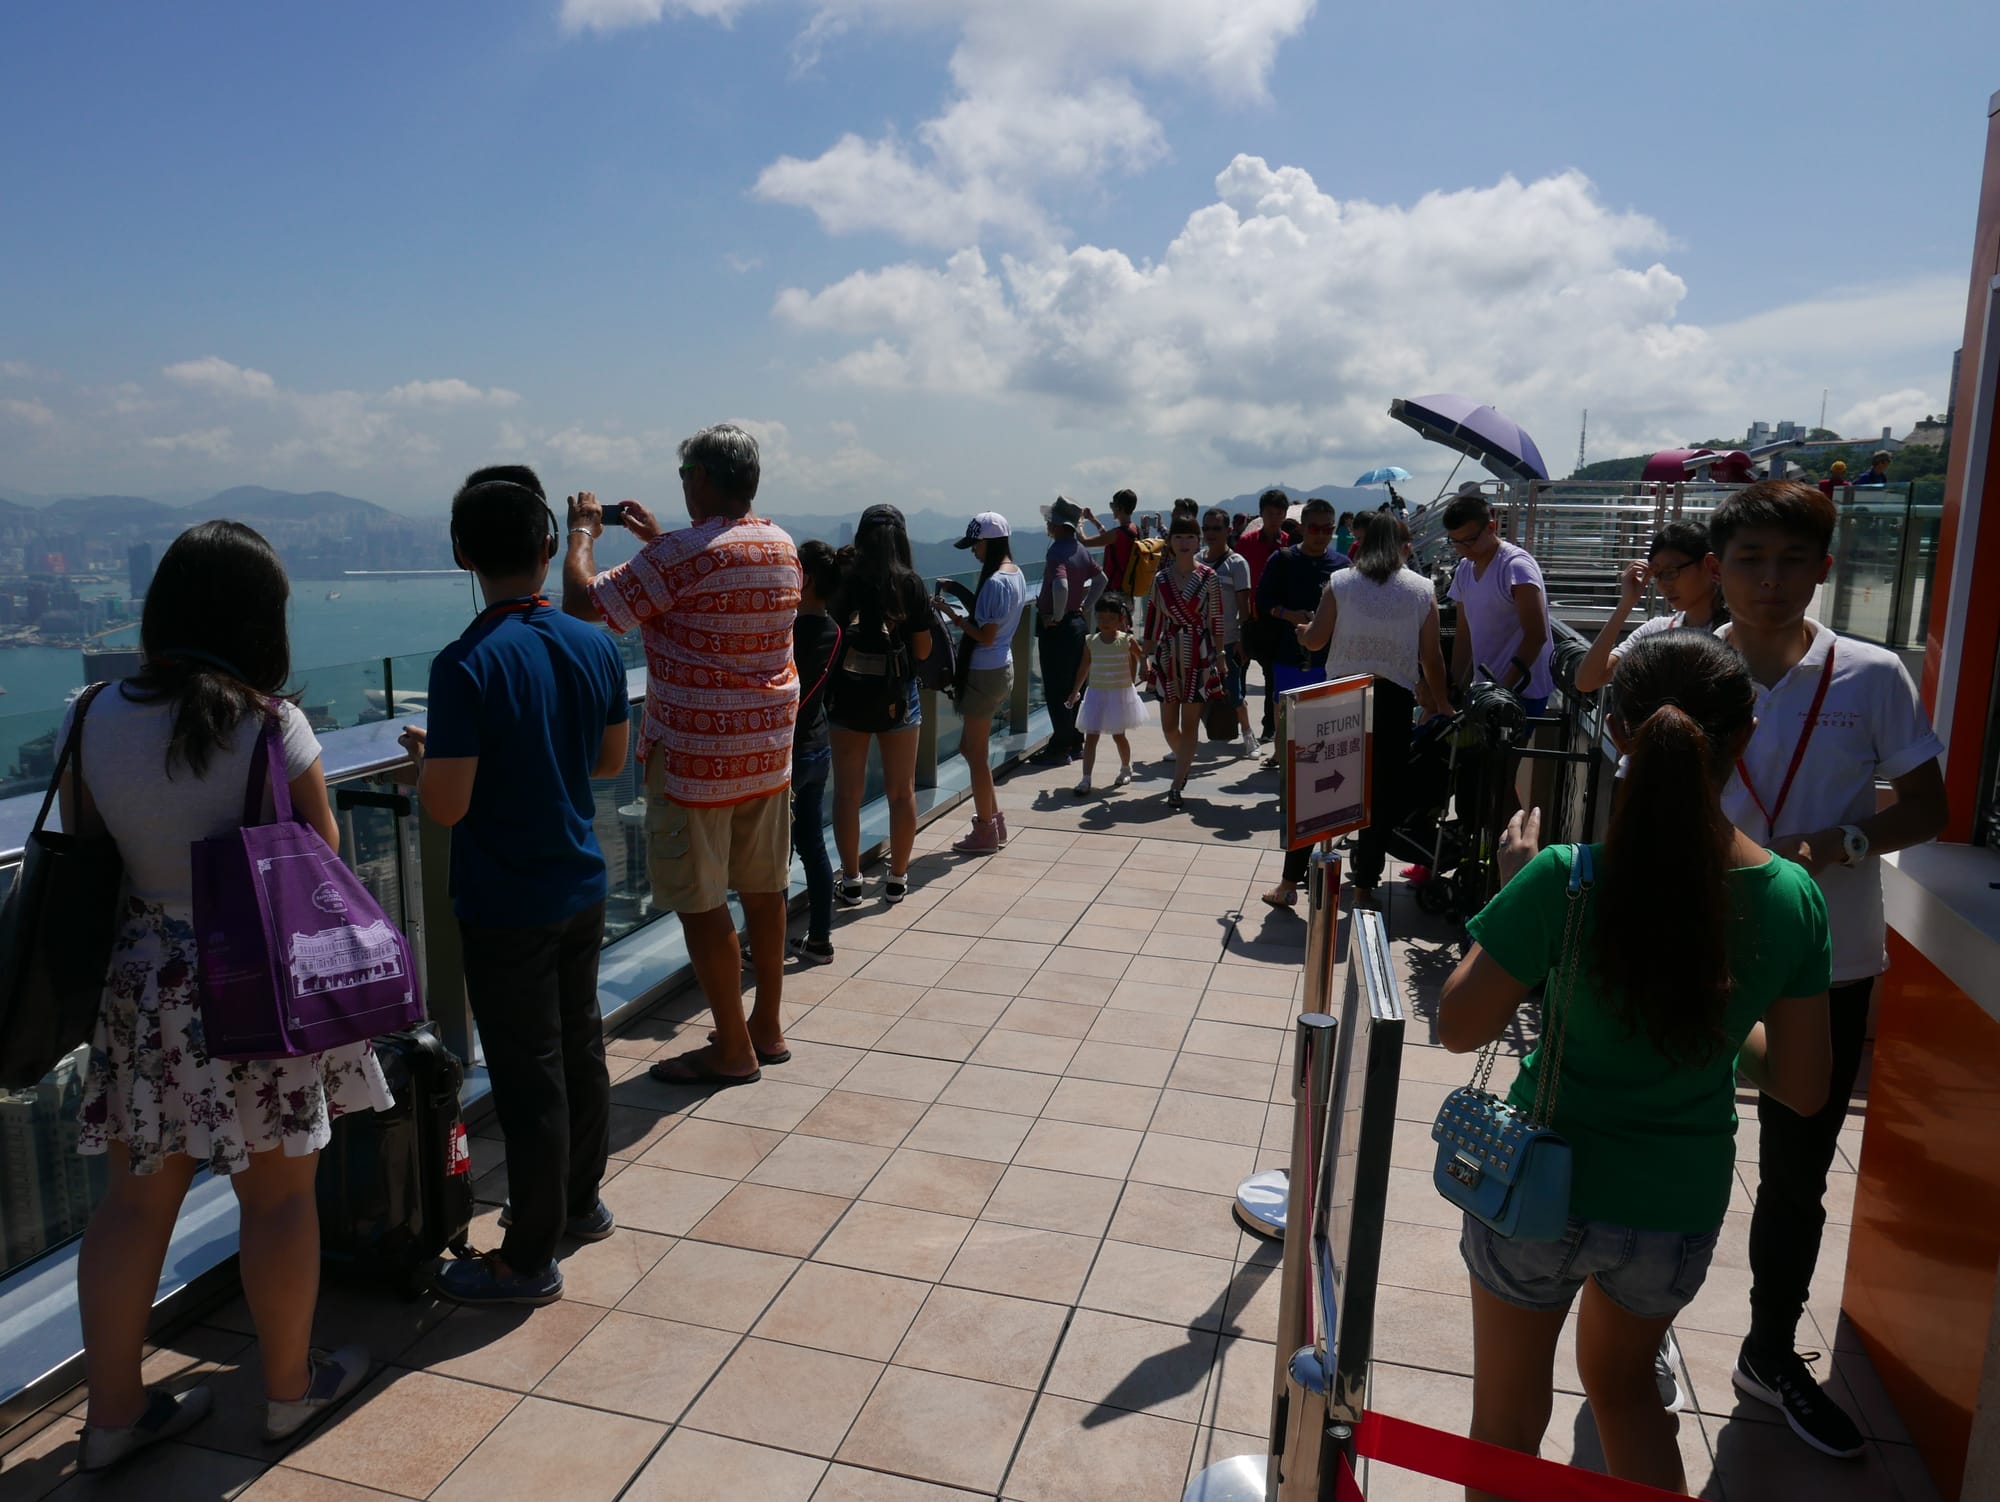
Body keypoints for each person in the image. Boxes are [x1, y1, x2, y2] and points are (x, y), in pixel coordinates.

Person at [1439, 630, 1835, 1499]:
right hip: (1673, 1206)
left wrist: (1513, 889)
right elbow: (1805, 1087)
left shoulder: (1561, 878)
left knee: (1505, 1423)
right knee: (1625, 1394)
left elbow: (1458, 1026)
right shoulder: (1791, 898)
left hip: (1537, 1190)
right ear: (1748, 734)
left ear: (1617, 731)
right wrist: (1717, 1025)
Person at [61, 521, 390, 1467]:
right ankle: (289, 1392)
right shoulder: (269, 723)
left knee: (131, 1204)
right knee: (280, 1198)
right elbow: (323, 861)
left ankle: (114, 1418)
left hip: (143, 985)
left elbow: (90, 859)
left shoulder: (91, 714)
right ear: (261, 619)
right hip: (256, 987)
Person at [1709, 479, 1948, 1457]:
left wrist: (1835, 843)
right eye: (1746, 560)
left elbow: (1923, 807)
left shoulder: (1870, 674)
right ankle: (1629, 1328)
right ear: (1716, 569)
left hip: (1826, 958)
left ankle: (1769, 1351)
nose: (1767, 581)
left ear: (1822, 567)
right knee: (1657, 1135)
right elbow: (1634, 799)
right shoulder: (1676, 661)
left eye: (1787, 560)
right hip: (1699, 950)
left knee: (1795, 1169)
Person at [398, 468, 628, 1306]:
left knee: (528, 1074)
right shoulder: (595, 642)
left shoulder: (463, 665)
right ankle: (580, 1204)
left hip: (505, 898)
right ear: (544, 549)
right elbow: (607, 763)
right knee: (579, 1045)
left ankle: (526, 1259)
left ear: (462, 552)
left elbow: (450, 806)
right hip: (581, 879)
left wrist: (435, 760)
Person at [563, 423, 802, 1088]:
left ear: (700, 477)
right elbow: (709, 575)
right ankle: (768, 1028)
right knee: (764, 890)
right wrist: (657, 540)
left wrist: (584, 531)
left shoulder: (677, 556)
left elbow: (584, 602)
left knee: (701, 901)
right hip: (768, 751)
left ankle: (732, 1048)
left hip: (698, 758)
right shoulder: (780, 544)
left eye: (683, 474)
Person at [1262, 511, 1448, 910]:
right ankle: (1364, 888)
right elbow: (1431, 657)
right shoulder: (1421, 589)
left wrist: (1302, 632)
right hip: (1394, 702)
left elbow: (1315, 641)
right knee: (1379, 798)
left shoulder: (1341, 582)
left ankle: (1289, 882)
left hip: (1340, 697)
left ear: (1361, 545)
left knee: (1316, 790)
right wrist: (1443, 702)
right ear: (1404, 547)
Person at [825, 503, 937, 880]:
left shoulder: (844, 580)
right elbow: (923, 651)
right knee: (902, 793)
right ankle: (897, 878)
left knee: (847, 795)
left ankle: (852, 878)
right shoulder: (910, 583)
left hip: (847, 698)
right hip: (898, 697)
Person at [940, 512, 1029, 854]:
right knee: (973, 750)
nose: (973, 551)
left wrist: (952, 617)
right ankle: (995, 821)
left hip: (984, 670)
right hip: (1001, 668)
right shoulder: (1016, 574)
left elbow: (985, 635)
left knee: (974, 753)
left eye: (975, 545)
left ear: (988, 543)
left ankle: (985, 830)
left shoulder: (994, 582)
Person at [1573, 521, 1728, 696]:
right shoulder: (1657, 630)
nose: (1663, 585)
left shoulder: (1735, 635)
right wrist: (1626, 604)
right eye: (1657, 575)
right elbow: (1587, 681)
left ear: (1710, 565)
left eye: (1671, 572)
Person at [1253, 497, 1349, 765]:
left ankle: (1314, 760)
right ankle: (1282, 754)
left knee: (1322, 713)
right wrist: (1288, 615)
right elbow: (1262, 600)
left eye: (1327, 529)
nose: (1321, 535)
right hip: (1286, 649)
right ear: (1303, 528)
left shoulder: (1343, 566)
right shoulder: (1283, 559)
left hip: (1329, 655)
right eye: (1315, 529)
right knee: (1284, 708)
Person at [785, 540, 844, 964]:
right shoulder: (835, 630)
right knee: (813, 847)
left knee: (773, 860)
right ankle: (820, 937)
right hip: (817, 749)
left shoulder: (785, 630)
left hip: (785, 754)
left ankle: (766, 945)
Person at [1442, 490, 1552, 712]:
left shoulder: (1515, 567)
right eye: (1456, 542)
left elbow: (1536, 635)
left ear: (1491, 527)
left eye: (1470, 541)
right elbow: (1464, 635)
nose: (1463, 549)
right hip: (1484, 692)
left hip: (1522, 693)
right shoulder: (1464, 569)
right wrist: (1455, 686)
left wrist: (1504, 690)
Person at [1144, 513, 1225, 811]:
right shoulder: (1160, 578)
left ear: (1198, 540)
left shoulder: (1208, 577)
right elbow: (1153, 618)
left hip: (1198, 652)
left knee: (1189, 724)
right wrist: (1145, 655)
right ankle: (1186, 762)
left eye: (1190, 536)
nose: (1184, 542)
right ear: (1171, 541)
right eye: (1179, 536)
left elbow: (1216, 619)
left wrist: (1221, 656)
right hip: (1168, 653)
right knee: (1168, 725)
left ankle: (1176, 783)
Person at [1035, 497, 1105, 766]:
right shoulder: (1080, 549)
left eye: (1050, 522)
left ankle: (1060, 746)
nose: (1048, 526)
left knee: (1056, 687)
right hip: (1078, 625)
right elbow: (1101, 579)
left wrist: (1058, 614)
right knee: (1075, 686)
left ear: (1057, 525)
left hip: (1058, 628)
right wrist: (1085, 606)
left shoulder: (1056, 552)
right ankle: (1075, 740)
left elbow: (1060, 586)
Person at [1065, 592, 1146, 795]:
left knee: (1119, 736)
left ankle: (1126, 767)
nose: (1105, 622)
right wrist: (1075, 691)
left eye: (1110, 618)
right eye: (1101, 618)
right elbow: (1085, 666)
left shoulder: (1126, 640)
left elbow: (1140, 654)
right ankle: (1086, 779)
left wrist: (1145, 667)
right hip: (1096, 694)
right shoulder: (1091, 641)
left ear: (1121, 619)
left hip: (1117, 695)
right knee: (1091, 737)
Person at [1237, 489, 1297, 740]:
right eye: (1270, 513)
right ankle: (1239, 724)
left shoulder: (1290, 545)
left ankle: (1269, 727)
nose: (1274, 518)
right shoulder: (1246, 543)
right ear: (1261, 513)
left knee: (1272, 675)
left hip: (1276, 619)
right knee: (1237, 671)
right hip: (1248, 618)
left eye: (1279, 513)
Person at [1201, 506, 1260, 755]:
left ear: (1228, 530)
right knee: (1192, 694)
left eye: (1216, 528)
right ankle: (1185, 741)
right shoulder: (1196, 560)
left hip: (1227, 639)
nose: (1210, 533)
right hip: (1199, 639)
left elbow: (1243, 606)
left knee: (1233, 692)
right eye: (1206, 528)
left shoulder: (1237, 564)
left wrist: (1243, 640)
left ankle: (1248, 735)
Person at [1076, 488, 1141, 600]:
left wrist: (1079, 523)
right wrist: (1093, 520)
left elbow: (1084, 541)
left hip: (1113, 593)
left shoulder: (1118, 533)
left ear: (1120, 507)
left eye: (1112, 505)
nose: (1111, 508)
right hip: (1126, 591)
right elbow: (1108, 539)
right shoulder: (1134, 529)